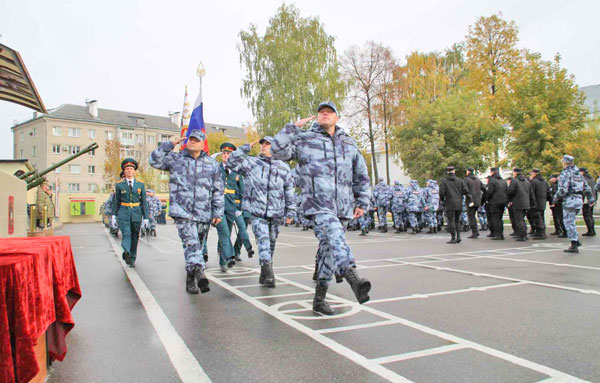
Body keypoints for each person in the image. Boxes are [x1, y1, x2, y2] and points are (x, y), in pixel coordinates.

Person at [271, 101, 372, 315]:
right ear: (317, 118)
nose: (325, 114)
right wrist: (292, 127)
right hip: (318, 203)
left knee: (329, 252)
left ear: (337, 117)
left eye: (329, 112)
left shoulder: (349, 143)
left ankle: (319, 299)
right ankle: (351, 274)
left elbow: (361, 175)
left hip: (343, 206)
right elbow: (277, 151)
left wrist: (362, 202)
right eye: (321, 112)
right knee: (335, 235)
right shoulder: (305, 139)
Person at [149, 130, 223, 294]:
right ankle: (199, 272)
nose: (193, 142)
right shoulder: (175, 159)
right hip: (182, 210)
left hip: (204, 212)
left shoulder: (212, 164)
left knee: (196, 245)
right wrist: (170, 144)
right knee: (191, 242)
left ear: (203, 144)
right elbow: (154, 161)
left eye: (197, 140)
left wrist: (218, 212)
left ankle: (191, 278)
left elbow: (218, 190)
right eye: (190, 139)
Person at [228, 136, 295, 287]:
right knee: (263, 241)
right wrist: (244, 148)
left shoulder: (283, 167)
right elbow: (231, 163)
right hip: (257, 212)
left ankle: (264, 272)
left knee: (271, 243)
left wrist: (290, 211)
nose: (264, 146)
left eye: (268, 144)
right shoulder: (251, 163)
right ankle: (269, 274)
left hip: (276, 212)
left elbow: (289, 190)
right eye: (262, 144)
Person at [219, 142, 255, 262]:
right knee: (226, 229)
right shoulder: (221, 169)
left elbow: (245, 189)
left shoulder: (242, 170)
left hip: (244, 205)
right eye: (224, 153)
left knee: (242, 228)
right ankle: (225, 251)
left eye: (228, 153)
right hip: (227, 204)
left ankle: (238, 250)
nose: (226, 155)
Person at [111, 158, 149, 268]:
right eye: (127, 169)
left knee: (135, 236)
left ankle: (132, 258)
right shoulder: (119, 185)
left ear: (134, 171)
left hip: (136, 214)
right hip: (124, 213)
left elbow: (144, 202)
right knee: (126, 233)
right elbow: (116, 201)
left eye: (131, 169)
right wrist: (114, 215)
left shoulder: (140, 185)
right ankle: (126, 251)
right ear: (124, 171)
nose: (129, 171)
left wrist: (146, 217)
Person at [553, 155, 594, 253]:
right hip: (578, 199)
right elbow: (586, 187)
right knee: (571, 220)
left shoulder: (566, 173)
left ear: (565, 162)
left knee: (568, 222)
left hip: (570, 199)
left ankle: (574, 243)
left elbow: (563, 189)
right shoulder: (578, 173)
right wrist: (591, 198)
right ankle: (575, 239)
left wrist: (555, 198)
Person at [439, 166, 471, 244]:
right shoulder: (460, 181)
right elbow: (466, 191)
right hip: (459, 203)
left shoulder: (444, 181)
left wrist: (442, 200)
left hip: (449, 203)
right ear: (454, 171)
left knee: (451, 221)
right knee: (457, 220)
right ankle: (459, 236)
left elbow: (442, 193)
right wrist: (470, 200)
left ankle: (453, 238)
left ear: (447, 172)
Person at [507, 168, 536, 242]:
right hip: (526, 203)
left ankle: (522, 235)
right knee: (522, 219)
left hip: (517, 203)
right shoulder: (527, 181)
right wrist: (533, 203)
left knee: (518, 220)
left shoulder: (515, 181)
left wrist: (508, 200)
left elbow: (510, 191)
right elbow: (531, 193)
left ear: (516, 173)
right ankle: (524, 234)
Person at [464, 168, 486, 239]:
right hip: (478, 201)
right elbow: (484, 189)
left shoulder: (466, 180)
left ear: (468, 172)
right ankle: (475, 231)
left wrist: (470, 199)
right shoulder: (478, 179)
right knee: (473, 216)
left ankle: (475, 232)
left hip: (470, 201)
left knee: (471, 217)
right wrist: (482, 199)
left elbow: (465, 190)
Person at [528, 169, 549, 239]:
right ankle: (542, 232)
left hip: (535, 202)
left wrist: (531, 202)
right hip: (542, 202)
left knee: (537, 218)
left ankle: (540, 233)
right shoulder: (545, 181)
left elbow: (531, 192)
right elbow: (548, 192)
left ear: (534, 174)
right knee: (541, 217)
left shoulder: (534, 181)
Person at [579, 167, 596, 236]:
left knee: (586, 215)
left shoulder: (584, 180)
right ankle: (592, 230)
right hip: (592, 199)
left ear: (582, 172)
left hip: (587, 200)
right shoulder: (592, 179)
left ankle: (590, 230)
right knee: (590, 215)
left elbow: (583, 190)